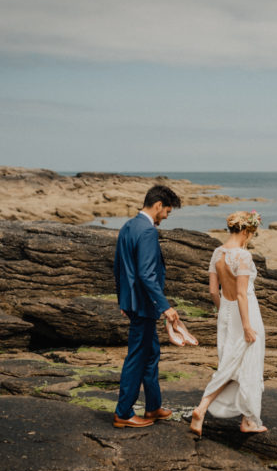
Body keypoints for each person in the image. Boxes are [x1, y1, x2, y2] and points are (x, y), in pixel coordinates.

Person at [112, 184, 197, 428]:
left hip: (133, 302)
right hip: (145, 305)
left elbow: (118, 266)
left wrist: (123, 300)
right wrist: (165, 306)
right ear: (158, 205)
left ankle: (152, 407)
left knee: (151, 354)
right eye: (167, 212)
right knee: (137, 357)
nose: (166, 217)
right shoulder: (148, 231)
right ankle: (123, 412)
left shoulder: (128, 225)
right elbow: (147, 274)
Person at [190, 210, 267, 436]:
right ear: (245, 231)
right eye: (251, 234)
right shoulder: (243, 256)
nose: (250, 238)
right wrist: (246, 326)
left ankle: (202, 408)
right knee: (249, 364)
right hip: (246, 313)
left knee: (229, 365)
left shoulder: (217, 253)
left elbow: (214, 290)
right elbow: (242, 294)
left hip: (226, 313)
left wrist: (223, 310)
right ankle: (249, 421)